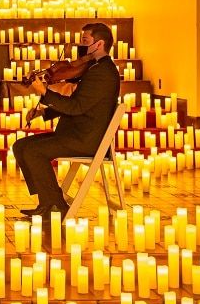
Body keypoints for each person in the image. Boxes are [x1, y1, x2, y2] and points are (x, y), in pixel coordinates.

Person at [11, 22, 121, 219]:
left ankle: (56, 205)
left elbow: (76, 107)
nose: (81, 46)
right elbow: (77, 103)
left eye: (85, 41)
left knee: (33, 151)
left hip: (85, 139)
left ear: (99, 43)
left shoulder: (103, 73)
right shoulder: (94, 68)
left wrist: (44, 91)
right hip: (76, 132)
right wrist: (43, 114)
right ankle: (47, 199)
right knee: (20, 146)